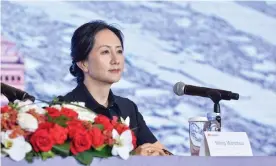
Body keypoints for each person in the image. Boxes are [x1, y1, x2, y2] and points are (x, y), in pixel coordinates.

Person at [58, 20, 171, 156]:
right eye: (105, 52)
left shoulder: (128, 108)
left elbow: (164, 153)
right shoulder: (62, 111)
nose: (115, 60)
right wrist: (133, 160)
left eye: (119, 51)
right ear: (83, 63)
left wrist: (159, 154)